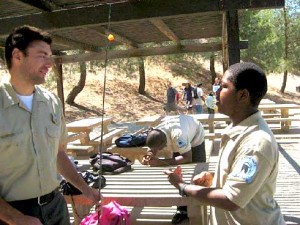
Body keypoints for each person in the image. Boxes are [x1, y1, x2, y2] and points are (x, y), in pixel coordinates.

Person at [0, 25, 100, 225]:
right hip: (12, 214)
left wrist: (85, 188)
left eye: (50, 56)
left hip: (56, 207)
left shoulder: (52, 102)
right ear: (18, 56)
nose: (50, 63)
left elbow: (58, 154)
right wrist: (15, 218)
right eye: (42, 55)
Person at [164, 62, 286, 225]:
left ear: (242, 95)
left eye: (223, 87)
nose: (216, 92)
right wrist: (215, 178)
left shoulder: (257, 143)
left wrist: (182, 186)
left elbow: (230, 199)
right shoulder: (237, 128)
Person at [142, 114, 206, 224]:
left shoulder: (178, 136)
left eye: (159, 149)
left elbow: (187, 157)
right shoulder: (157, 132)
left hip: (195, 136)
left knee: (196, 174)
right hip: (181, 137)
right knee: (179, 174)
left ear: (164, 143)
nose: (158, 151)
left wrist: (161, 162)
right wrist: (149, 155)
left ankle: (197, 206)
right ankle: (182, 209)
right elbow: (153, 147)